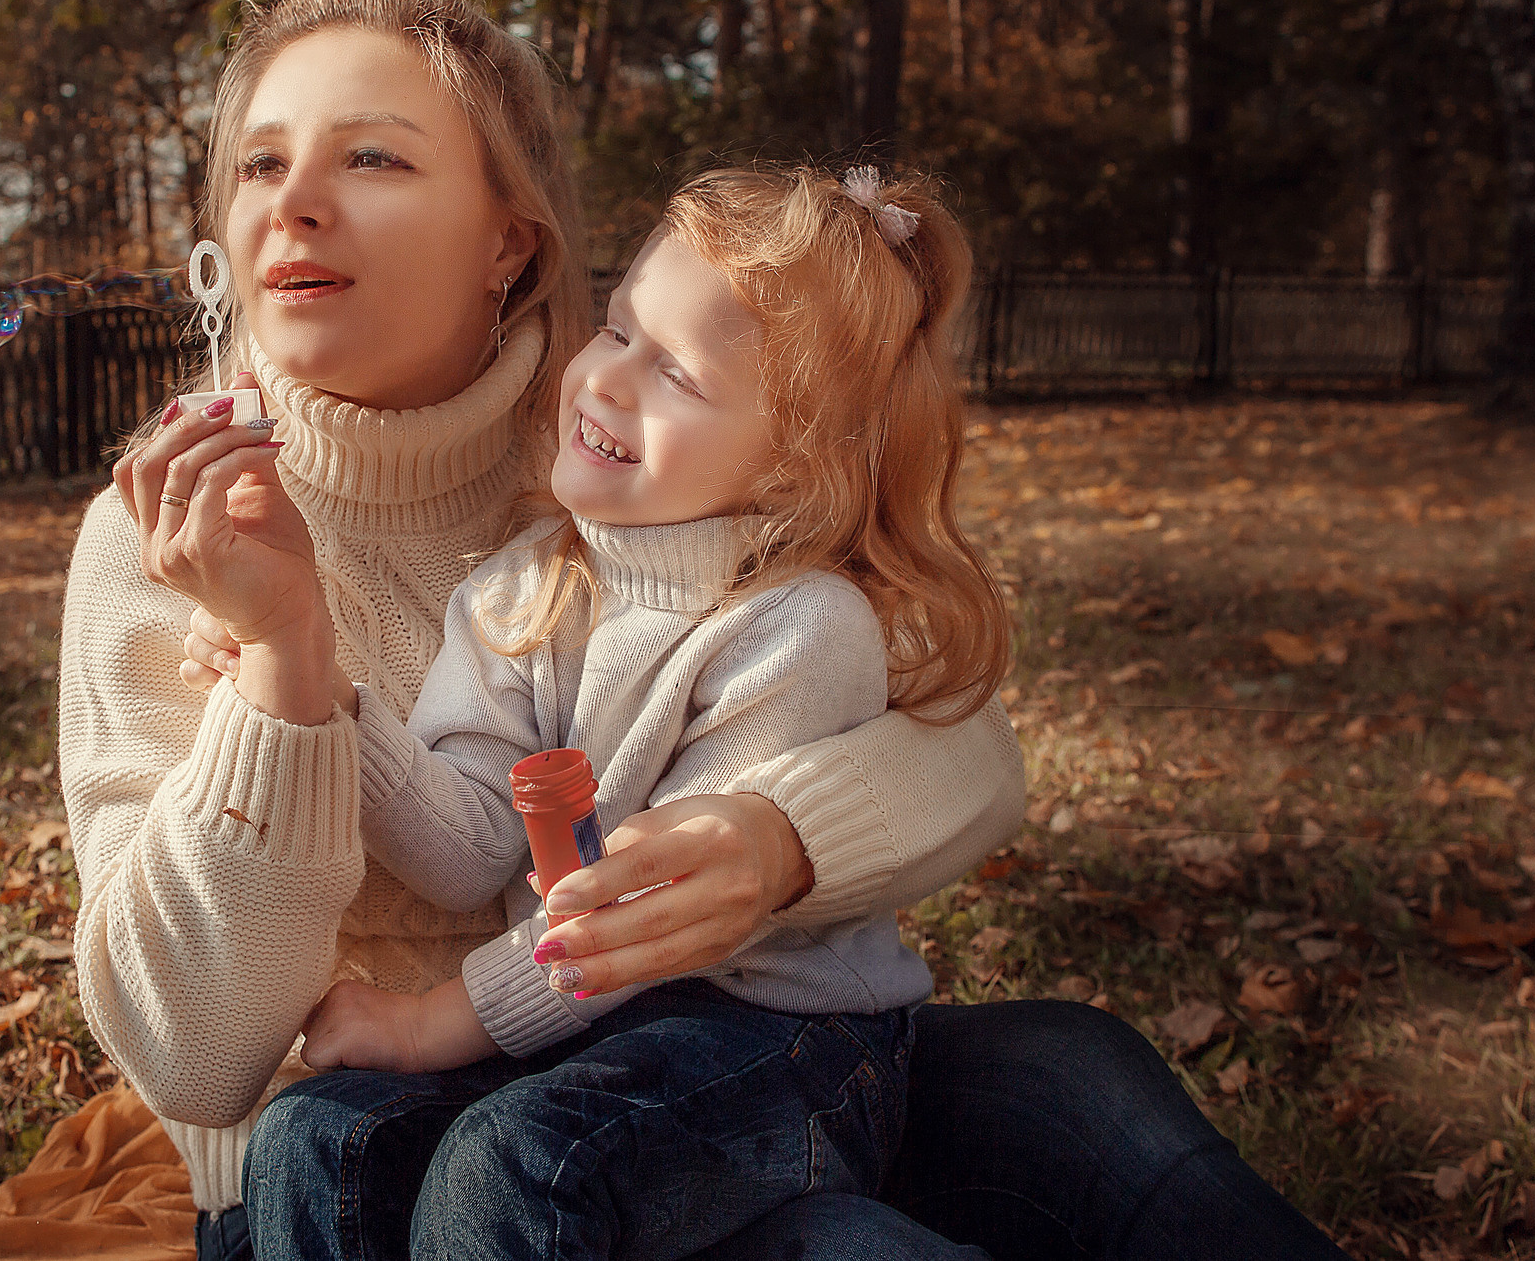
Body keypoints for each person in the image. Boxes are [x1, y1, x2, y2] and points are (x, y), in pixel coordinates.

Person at [0, 0, 1346, 1261]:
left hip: (671, 1054)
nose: (295, 199)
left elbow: (967, 747)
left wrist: (782, 837)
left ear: (511, 242)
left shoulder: (629, 446)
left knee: (1072, 1075)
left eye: (371, 154)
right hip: (376, 1140)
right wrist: (284, 669)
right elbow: (195, 1051)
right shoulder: (174, 537)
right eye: (260, 161)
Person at [224, 162, 1008, 1261]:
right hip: (580, 1036)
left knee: (515, 1163)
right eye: (619, 328)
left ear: (796, 468)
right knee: (315, 1137)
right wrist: (318, 686)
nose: (608, 380)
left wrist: (433, 1022)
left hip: (783, 1047)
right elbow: (466, 851)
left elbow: (648, 929)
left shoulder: (798, 626)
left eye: (676, 373)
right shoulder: (523, 588)